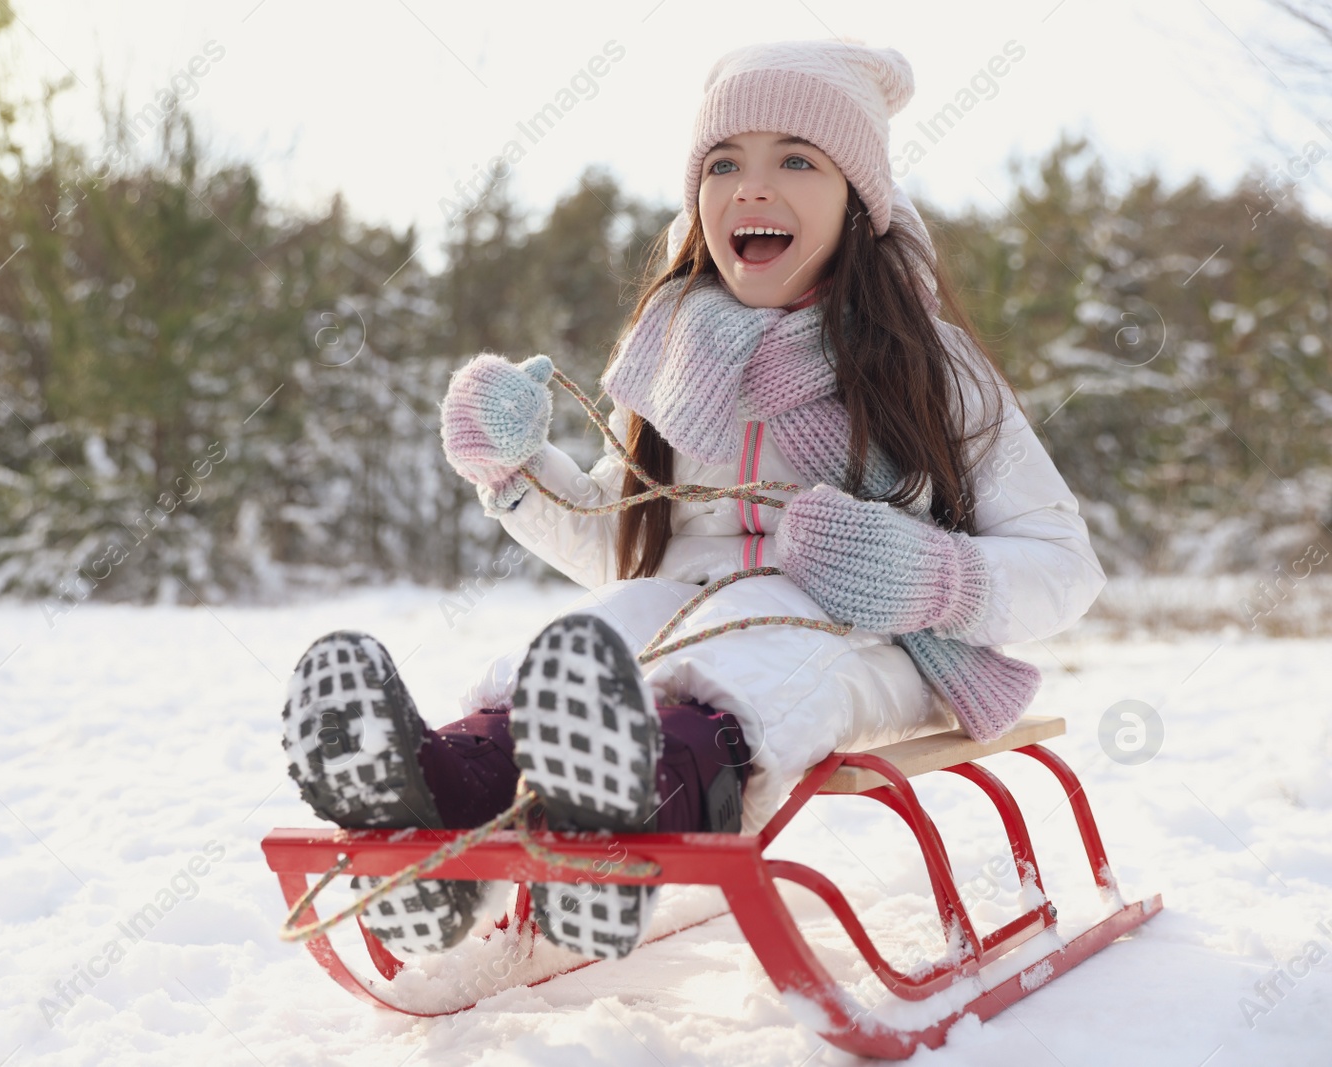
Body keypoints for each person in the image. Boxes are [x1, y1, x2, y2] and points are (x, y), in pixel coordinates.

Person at [280, 38, 1106, 965]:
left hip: (874, 639)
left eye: (796, 158)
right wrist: (513, 468)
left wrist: (932, 575)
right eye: (723, 163)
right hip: (689, 608)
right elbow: (622, 538)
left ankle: (628, 817)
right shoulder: (674, 354)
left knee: (771, 658)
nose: (751, 188)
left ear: (858, 196)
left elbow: (1066, 564)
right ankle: (440, 797)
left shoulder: (928, 361)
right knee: (606, 627)